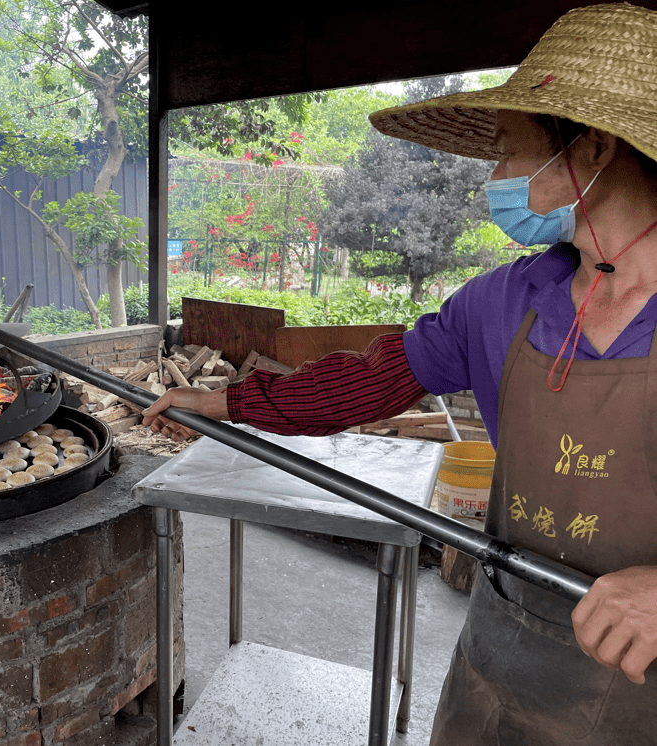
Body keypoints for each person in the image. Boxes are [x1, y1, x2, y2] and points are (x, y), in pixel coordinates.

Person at [142, 4, 657, 744]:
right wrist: (225, 403)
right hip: (503, 651)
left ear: (596, 147)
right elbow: (369, 382)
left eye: (510, 151)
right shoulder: (501, 302)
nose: (495, 175)